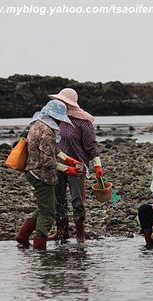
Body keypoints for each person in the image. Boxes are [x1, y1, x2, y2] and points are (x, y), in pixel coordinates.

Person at [15, 100, 82, 250]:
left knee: (45, 206)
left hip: (32, 171)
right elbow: (46, 160)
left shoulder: (37, 124)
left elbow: (52, 149)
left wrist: (67, 158)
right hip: (41, 174)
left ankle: (22, 236)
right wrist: (66, 169)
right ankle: (40, 247)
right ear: (55, 117)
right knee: (48, 213)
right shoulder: (48, 131)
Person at [47, 88, 104, 243]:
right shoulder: (56, 120)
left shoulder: (82, 122)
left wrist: (97, 165)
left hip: (77, 166)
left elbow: (91, 146)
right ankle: (62, 232)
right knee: (58, 200)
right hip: (58, 165)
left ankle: (80, 234)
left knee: (77, 200)